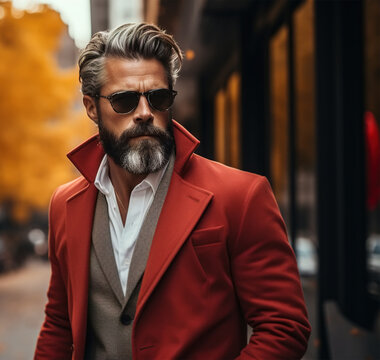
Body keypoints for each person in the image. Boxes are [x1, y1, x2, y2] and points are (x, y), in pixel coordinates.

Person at [35, 23, 311, 360]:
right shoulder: (66, 205)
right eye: (124, 100)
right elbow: (59, 325)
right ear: (92, 108)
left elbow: (284, 326)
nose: (144, 113)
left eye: (158, 97)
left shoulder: (241, 196)